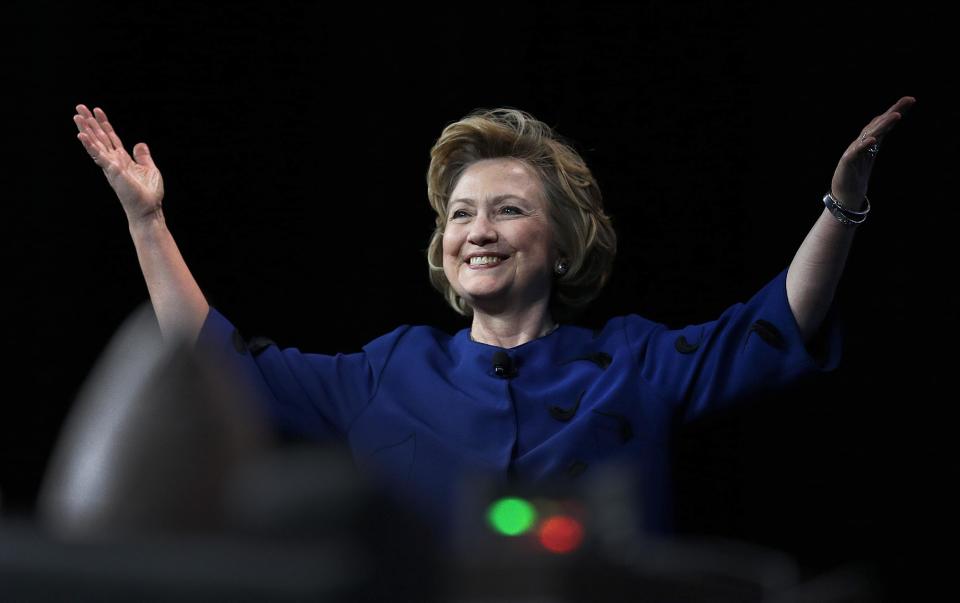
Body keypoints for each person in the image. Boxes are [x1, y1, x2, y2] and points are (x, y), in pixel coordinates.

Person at [73, 97, 916, 547]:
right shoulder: (384, 371)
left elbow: (777, 320)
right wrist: (148, 222)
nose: (477, 230)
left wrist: (842, 203)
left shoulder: (632, 361)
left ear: (559, 245)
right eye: (461, 214)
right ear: (443, 247)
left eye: (507, 209)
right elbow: (211, 362)